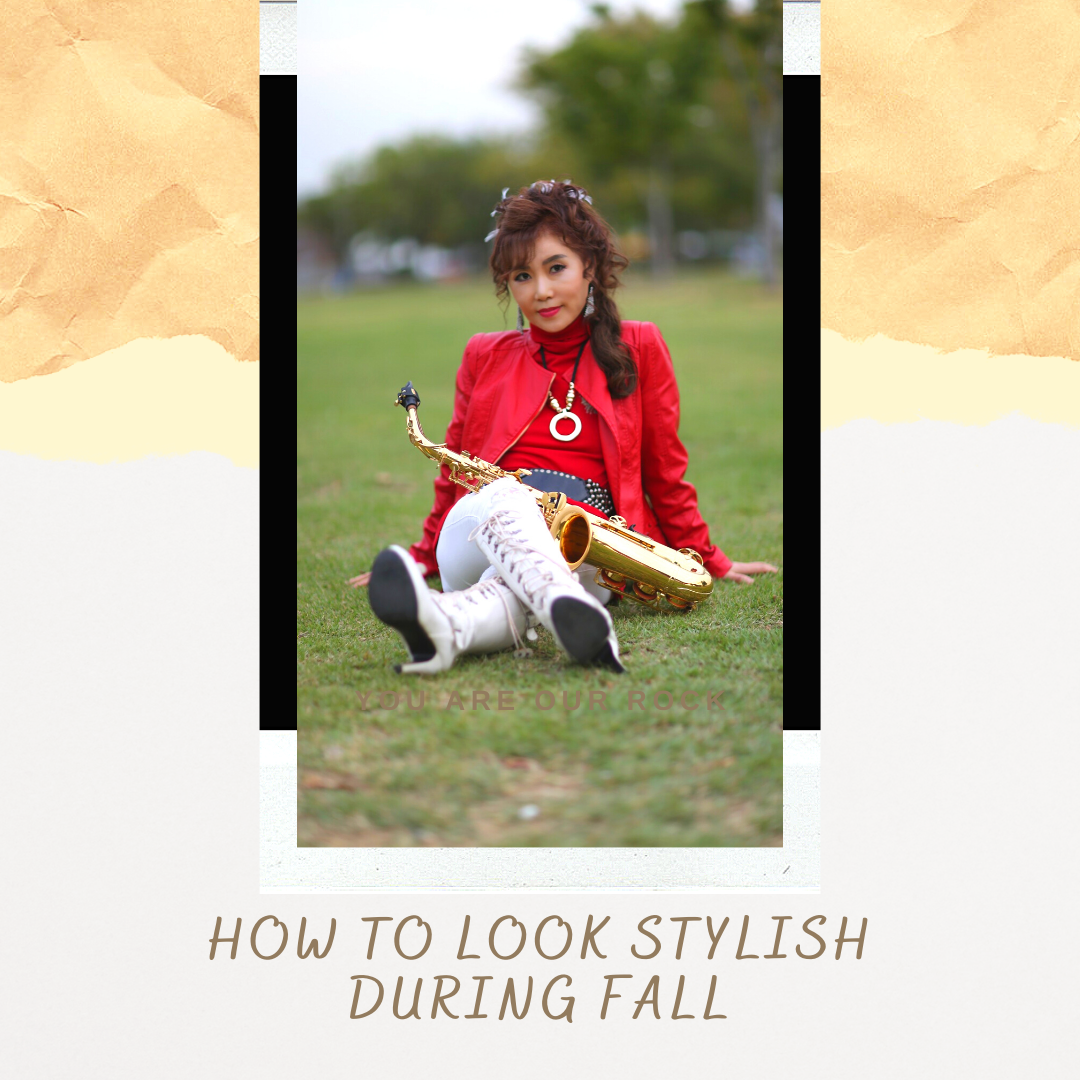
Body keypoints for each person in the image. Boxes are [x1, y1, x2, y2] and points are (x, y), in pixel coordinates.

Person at [349, 180, 777, 674]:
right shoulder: (483, 354)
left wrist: (708, 558)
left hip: (590, 545)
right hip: (478, 527)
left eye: (556, 268)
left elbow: (666, 468)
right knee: (506, 495)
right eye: (522, 276)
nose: (542, 291)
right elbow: (455, 475)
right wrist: (424, 555)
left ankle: (448, 623)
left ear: (588, 267)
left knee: (511, 587)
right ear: (508, 285)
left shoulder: (639, 345)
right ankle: (557, 598)